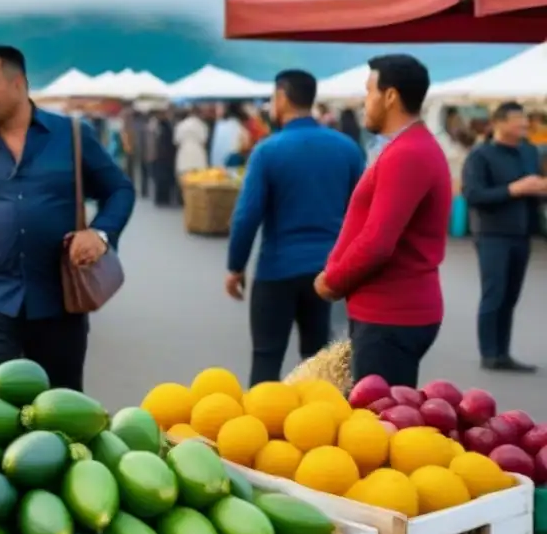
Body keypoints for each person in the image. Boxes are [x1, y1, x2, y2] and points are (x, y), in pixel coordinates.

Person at [0, 45, 135, 395]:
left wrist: (100, 234)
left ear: (18, 85)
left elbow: (119, 190)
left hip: (59, 297)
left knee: (60, 407)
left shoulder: (72, 136)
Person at [315, 55, 452, 388]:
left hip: (390, 315)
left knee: (378, 426)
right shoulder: (410, 147)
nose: (365, 102)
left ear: (390, 96)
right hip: (391, 311)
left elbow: (377, 242)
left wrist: (332, 280)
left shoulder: (407, 153)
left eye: (369, 91)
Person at [226, 70, 365, 385]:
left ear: (282, 98)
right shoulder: (346, 149)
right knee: (320, 364)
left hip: (277, 270)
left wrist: (235, 267)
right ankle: (318, 431)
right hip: (328, 273)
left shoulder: (268, 151)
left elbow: (247, 215)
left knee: (266, 357)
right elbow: (361, 214)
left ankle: (256, 432)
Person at [462, 102, 544, 372]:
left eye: (524, 120)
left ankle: (503, 352)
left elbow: (533, 186)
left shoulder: (529, 151)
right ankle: (489, 353)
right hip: (492, 233)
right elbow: (473, 195)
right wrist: (515, 189)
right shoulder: (480, 155)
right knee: (494, 293)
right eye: (517, 121)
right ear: (498, 123)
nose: (523, 126)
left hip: (522, 232)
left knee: (511, 295)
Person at [174, 106, 209, 180]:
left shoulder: (180, 125)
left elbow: (177, 142)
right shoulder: (202, 125)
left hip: (183, 155)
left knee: (184, 180)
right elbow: (204, 142)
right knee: (199, 180)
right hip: (198, 156)